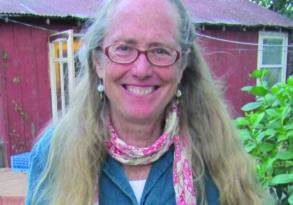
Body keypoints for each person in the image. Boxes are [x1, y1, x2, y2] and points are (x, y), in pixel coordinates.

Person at [25, 0, 268, 204]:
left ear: (182, 64)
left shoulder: (218, 153)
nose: (141, 69)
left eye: (160, 50)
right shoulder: (53, 152)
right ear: (98, 62)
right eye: (123, 48)